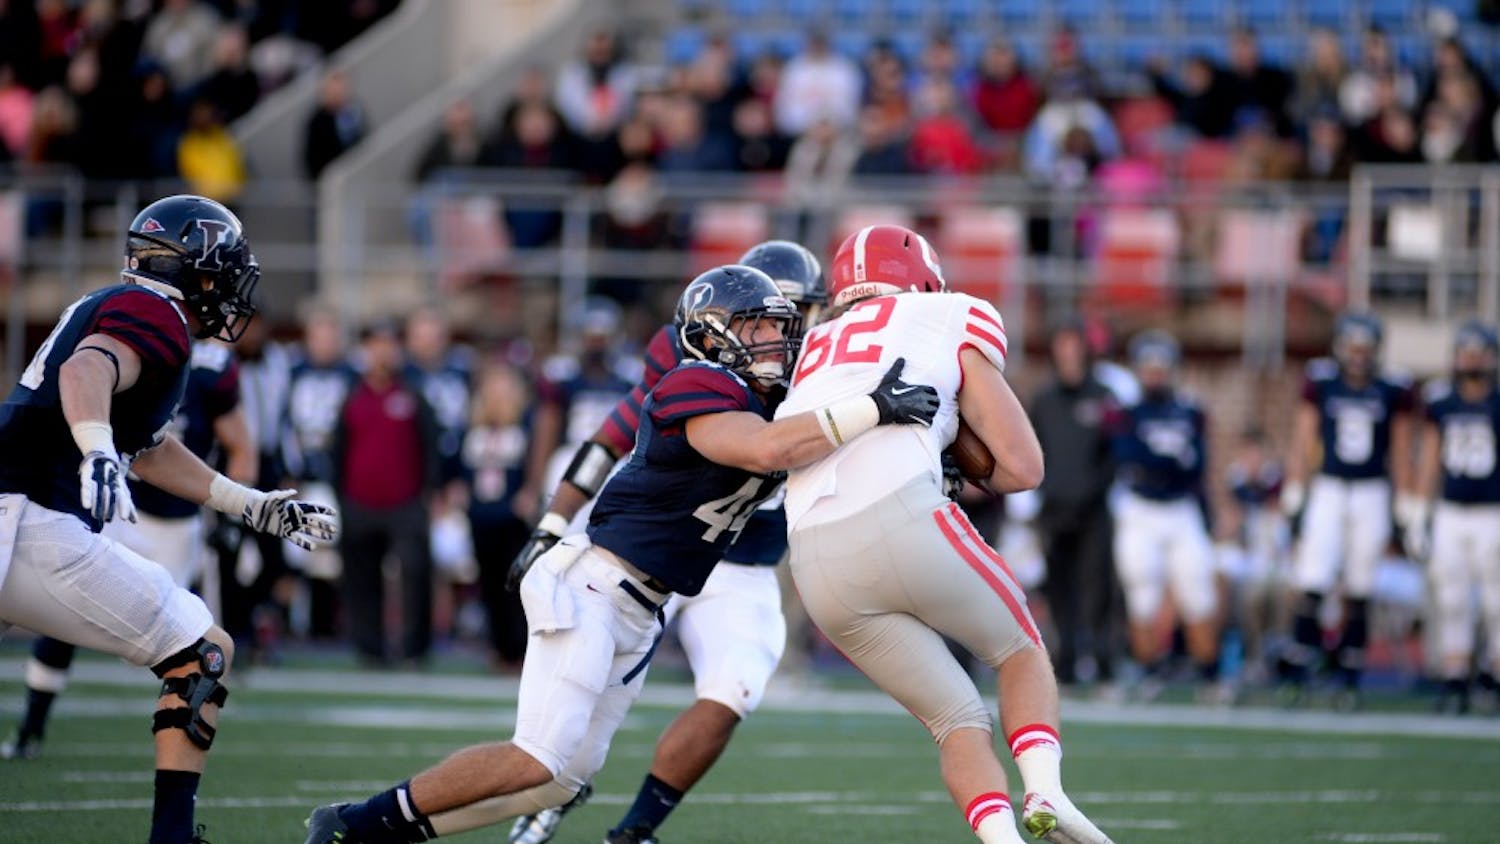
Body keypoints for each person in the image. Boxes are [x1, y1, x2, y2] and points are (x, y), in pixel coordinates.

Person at [302, 263, 939, 844]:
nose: (773, 338)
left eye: (778, 324)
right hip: (594, 585)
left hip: (643, 605)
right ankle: (354, 823)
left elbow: (812, 449)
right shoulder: (696, 381)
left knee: (561, 782)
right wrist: (870, 407)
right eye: (755, 324)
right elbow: (766, 451)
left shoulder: (775, 399)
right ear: (711, 333)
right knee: (537, 757)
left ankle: (384, 832)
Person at [0, 194, 337, 844]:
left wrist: (252, 505)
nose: (231, 289)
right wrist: (96, 448)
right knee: (202, 651)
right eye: (222, 272)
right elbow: (88, 367)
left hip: (19, 511)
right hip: (30, 519)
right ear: (191, 269)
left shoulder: (126, 306)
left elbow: (150, 452)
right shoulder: (156, 313)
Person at [777, 224, 1111, 844]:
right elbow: (1022, 466)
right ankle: (1046, 790)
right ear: (923, 278)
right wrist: (954, 442)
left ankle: (1003, 840)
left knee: (956, 719)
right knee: (1020, 652)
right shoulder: (950, 311)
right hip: (901, 513)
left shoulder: (811, 346)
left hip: (815, 563)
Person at [505, 240, 827, 844]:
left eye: (796, 313)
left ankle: (634, 831)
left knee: (734, 689)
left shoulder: (832, 361)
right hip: (662, 548)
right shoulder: (699, 351)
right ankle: (550, 791)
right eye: (768, 316)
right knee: (576, 707)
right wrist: (554, 522)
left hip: (745, 561)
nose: (782, 331)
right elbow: (617, 431)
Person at [3, 336, 255, 761]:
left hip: (177, 519)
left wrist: (234, 514)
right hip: (117, 503)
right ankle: (31, 727)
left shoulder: (212, 364)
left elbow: (239, 444)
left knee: (187, 642)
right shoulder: (128, 341)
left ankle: (178, 751)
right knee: (61, 610)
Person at [1279, 312, 1415, 708]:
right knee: (1313, 577)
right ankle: (1300, 666)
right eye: (1352, 348)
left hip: (1372, 490)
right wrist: (1295, 488)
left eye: (1365, 349)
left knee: (1360, 584)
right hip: (1329, 487)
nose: (1358, 357)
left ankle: (1349, 674)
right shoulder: (1322, 380)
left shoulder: (1392, 387)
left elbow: (1402, 448)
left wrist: (1406, 503)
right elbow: (1305, 438)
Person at [1109, 330, 1224, 703]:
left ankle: (1211, 676)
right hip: (1141, 509)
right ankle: (1148, 672)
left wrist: (1164, 462)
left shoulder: (1191, 410)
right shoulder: (1127, 413)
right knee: (1142, 593)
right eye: (1150, 367)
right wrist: (1169, 460)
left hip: (1181, 509)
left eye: (1162, 367)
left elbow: (1199, 465)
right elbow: (1130, 458)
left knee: (1198, 591)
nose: (1156, 374)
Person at [333, 320, 442, 668]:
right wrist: (343, 497)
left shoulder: (413, 393)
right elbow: (337, 449)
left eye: (389, 344)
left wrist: (430, 493)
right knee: (361, 577)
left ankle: (413, 649)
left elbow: (430, 446)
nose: (382, 352)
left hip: (406, 504)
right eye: (376, 344)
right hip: (359, 502)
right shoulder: (351, 395)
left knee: (415, 573)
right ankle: (370, 649)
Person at [1409, 320, 1500, 714]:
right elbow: (1430, 457)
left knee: (1498, 602)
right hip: (1450, 511)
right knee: (1452, 600)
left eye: (1479, 352)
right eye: (1467, 352)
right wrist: (1417, 510)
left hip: (1493, 511)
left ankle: (1495, 679)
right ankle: (1455, 679)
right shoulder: (1441, 400)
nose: (1472, 360)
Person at [1026, 317, 1120, 688]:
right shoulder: (1045, 400)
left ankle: (1102, 662)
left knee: (1097, 588)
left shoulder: (1104, 396)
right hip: (1054, 509)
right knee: (1058, 588)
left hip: (1093, 510)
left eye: (1073, 346)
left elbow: (1114, 454)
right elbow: (1033, 448)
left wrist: (1093, 492)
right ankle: (1064, 661)